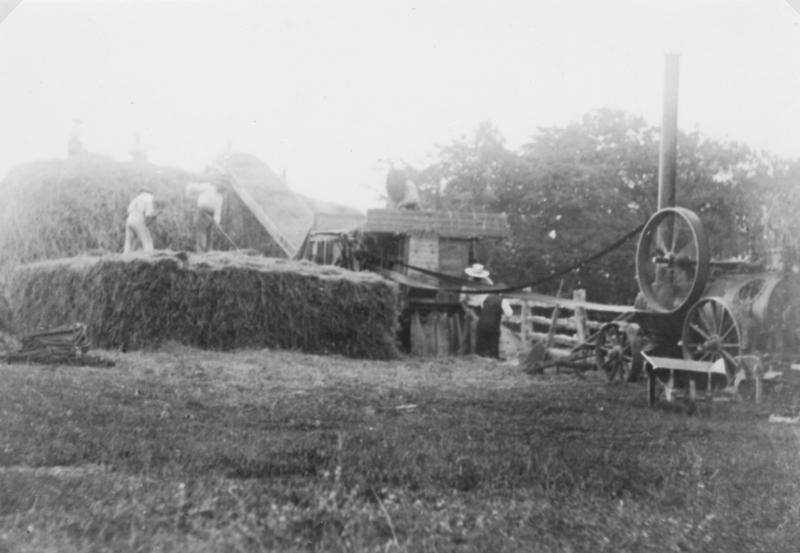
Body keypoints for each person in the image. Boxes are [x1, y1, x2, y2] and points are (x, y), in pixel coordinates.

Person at [186, 181, 225, 253]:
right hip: (202, 213)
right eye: (222, 187)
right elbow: (192, 187)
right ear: (218, 185)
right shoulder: (207, 187)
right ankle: (201, 254)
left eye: (224, 189)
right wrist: (190, 189)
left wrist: (217, 221)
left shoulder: (220, 197)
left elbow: (218, 210)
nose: (223, 190)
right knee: (201, 234)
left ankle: (208, 254)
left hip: (211, 216)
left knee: (210, 236)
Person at [123, 188, 155, 253]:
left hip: (129, 220)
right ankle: (149, 256)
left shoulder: (136, 199)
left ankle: (125, 257)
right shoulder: (148, 197)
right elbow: (148, 214)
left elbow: (128, 211)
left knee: (129, 242)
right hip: (138, 218)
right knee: (147, 241)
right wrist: (152, 218)